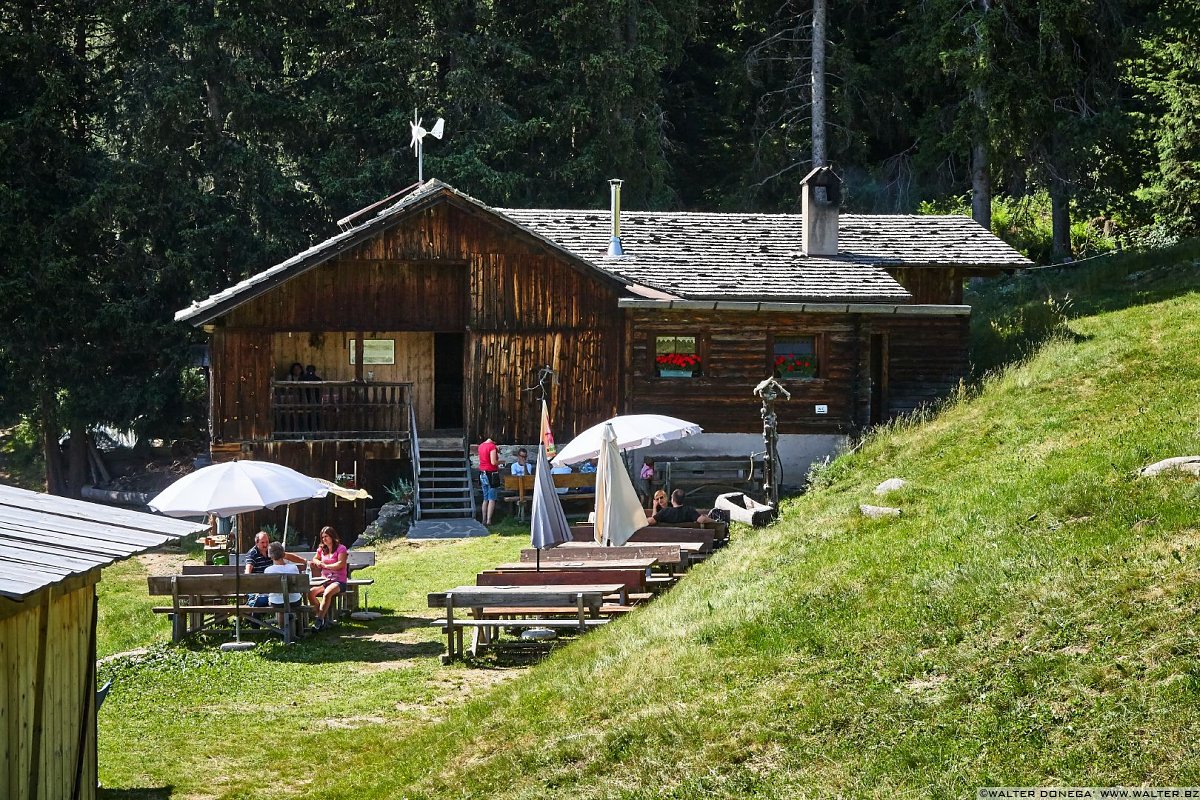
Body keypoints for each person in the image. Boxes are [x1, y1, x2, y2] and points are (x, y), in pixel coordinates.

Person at [308, 526, 348, 631]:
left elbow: (341, 563)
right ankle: (322, 616)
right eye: (323, 537)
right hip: (324, 580)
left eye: (326, 536)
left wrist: (326, 566)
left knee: (327, 593)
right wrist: (318, 562)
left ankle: (319, 620)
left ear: (332, 536)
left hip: (338, 581)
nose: (324, 539)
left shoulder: (341, 548)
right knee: (310, 592)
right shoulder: (322, 549)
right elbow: (315, 558)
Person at [264, 541, 303, 632]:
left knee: (280, 604)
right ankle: (297, 628)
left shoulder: (268, 570)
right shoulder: (293, 568)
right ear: (283, 554)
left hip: (276, 602)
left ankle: (282, 630)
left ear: (270, 555)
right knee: (288, 602)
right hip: (294, 601)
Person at [647, 489, 712, 525]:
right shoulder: (689, 510)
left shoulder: (665, 511)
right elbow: (702, 520)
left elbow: (651, 521)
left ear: (672, 500)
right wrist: (714, 521)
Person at [477, 436, 500, 524]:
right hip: (491, 474)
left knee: (485, 498)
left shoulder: (481, 446)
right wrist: (502, 462)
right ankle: (489, 520)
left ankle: (483, 519)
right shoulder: (492, 446)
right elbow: (493, 462)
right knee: (492, 498)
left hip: (482, 473)